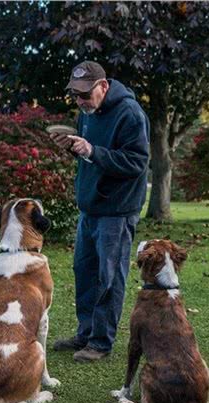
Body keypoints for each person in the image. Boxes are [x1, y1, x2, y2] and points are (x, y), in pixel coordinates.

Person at [50, 61, 150, 362]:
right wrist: (74, 146)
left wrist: (92, 151)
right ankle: (86, 333)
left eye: (85, 94)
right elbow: (92, 155)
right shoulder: (87, 112)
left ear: (103, 86)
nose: (80, 101)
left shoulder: (130, 114)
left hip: (116, 211)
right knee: (85, 272)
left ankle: (101, 342)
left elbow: (136, 162)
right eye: (76, 95)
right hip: (90, 208)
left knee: (109, 277)